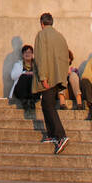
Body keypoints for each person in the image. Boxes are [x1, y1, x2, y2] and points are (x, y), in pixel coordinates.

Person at [33, 13, 70, 155]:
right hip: (58, 77)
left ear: (42, 23)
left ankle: (60, 135)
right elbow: (65, 57)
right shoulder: (60, 36)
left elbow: (40, 57)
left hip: (47, 77)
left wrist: (43, 77)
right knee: (46, 104)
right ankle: (52, 135)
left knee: (48, 105)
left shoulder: (41, 35)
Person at [9, 44, 36, 116]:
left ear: (32, 54)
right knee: (24, 76)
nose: (27, 54)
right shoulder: (18, 64)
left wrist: (32, 74)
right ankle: (25, 102)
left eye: (29, 52)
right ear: (23, 54)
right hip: (20, 90)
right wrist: (24, 73)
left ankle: (31, 102)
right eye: (25, 52)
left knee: (31, 78)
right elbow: (13, 76)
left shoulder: (36, 65)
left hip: (33, 91)